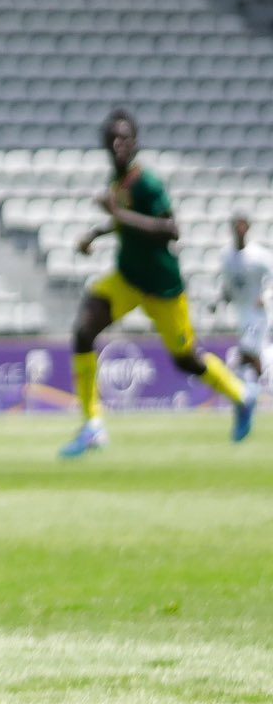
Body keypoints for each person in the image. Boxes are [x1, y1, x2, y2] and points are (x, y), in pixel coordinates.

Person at [62, 109, 255, 457]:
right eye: (113, 137)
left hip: (162, 287)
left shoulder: (147, 183)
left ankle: (241, 395)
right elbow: (128, 223)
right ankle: (93, 426)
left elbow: (170, 228)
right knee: (83, 332)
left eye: (126, 137)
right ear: (106, 144)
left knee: (185, 360)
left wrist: (116, 215)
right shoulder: (117, 182)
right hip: (128, 278)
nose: (119, 143)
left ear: (136, 144)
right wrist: (96, 233)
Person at [219, 211, 271, 409]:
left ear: (248, 229)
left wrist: (266, 295)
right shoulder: (226, 255)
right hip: (240, 313)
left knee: (247, 351)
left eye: (243, 226)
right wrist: (223, 297)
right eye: (236, 226)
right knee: (250, 355)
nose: (239, 230)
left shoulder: (259, 255)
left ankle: (250, 394)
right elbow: (228, 284)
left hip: (257, 314)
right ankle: (255, 392)